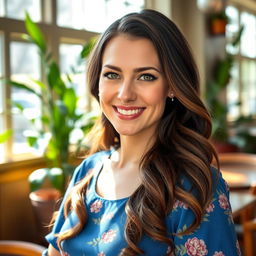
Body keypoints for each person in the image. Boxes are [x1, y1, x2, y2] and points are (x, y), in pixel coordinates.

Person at [43, 9, 240, 256]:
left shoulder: (196, 189)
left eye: (146, 76)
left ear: (171, 86)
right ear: (98, 82)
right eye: (112, 74)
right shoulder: (88, 170)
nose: (125, 94)